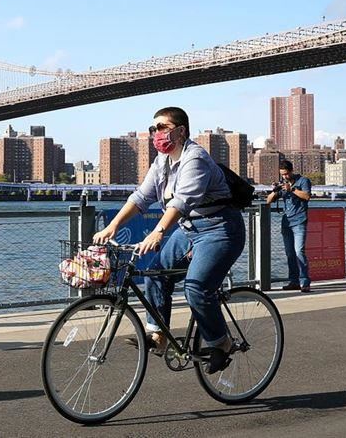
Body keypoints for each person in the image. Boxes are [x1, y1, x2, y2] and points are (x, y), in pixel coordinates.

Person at [92, 107, 245, 374]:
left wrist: (159, 231)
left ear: (181, 131)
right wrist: (113, 226)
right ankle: (158, 335)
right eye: (153, 129)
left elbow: (181, 202)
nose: (156, 134)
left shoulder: (195, 158)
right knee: (155, 273)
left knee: (197, 288)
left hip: (220, 229)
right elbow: (141, 197)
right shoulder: (161, 161)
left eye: (162, 128)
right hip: (189, 229)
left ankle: (221, 343)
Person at [266, 160, 312, 292]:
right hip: (286, 223)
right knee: (290, 253)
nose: (284, 176)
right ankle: (294, 281)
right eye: (282, 174)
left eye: (286, 174)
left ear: (291, 171)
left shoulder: (303, 181)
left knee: (299, 251)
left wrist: (291, 189)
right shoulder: (283, 184)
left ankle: (305, 282)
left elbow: (307, 196)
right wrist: (275, 191)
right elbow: (268, 200)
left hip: (299, 221)